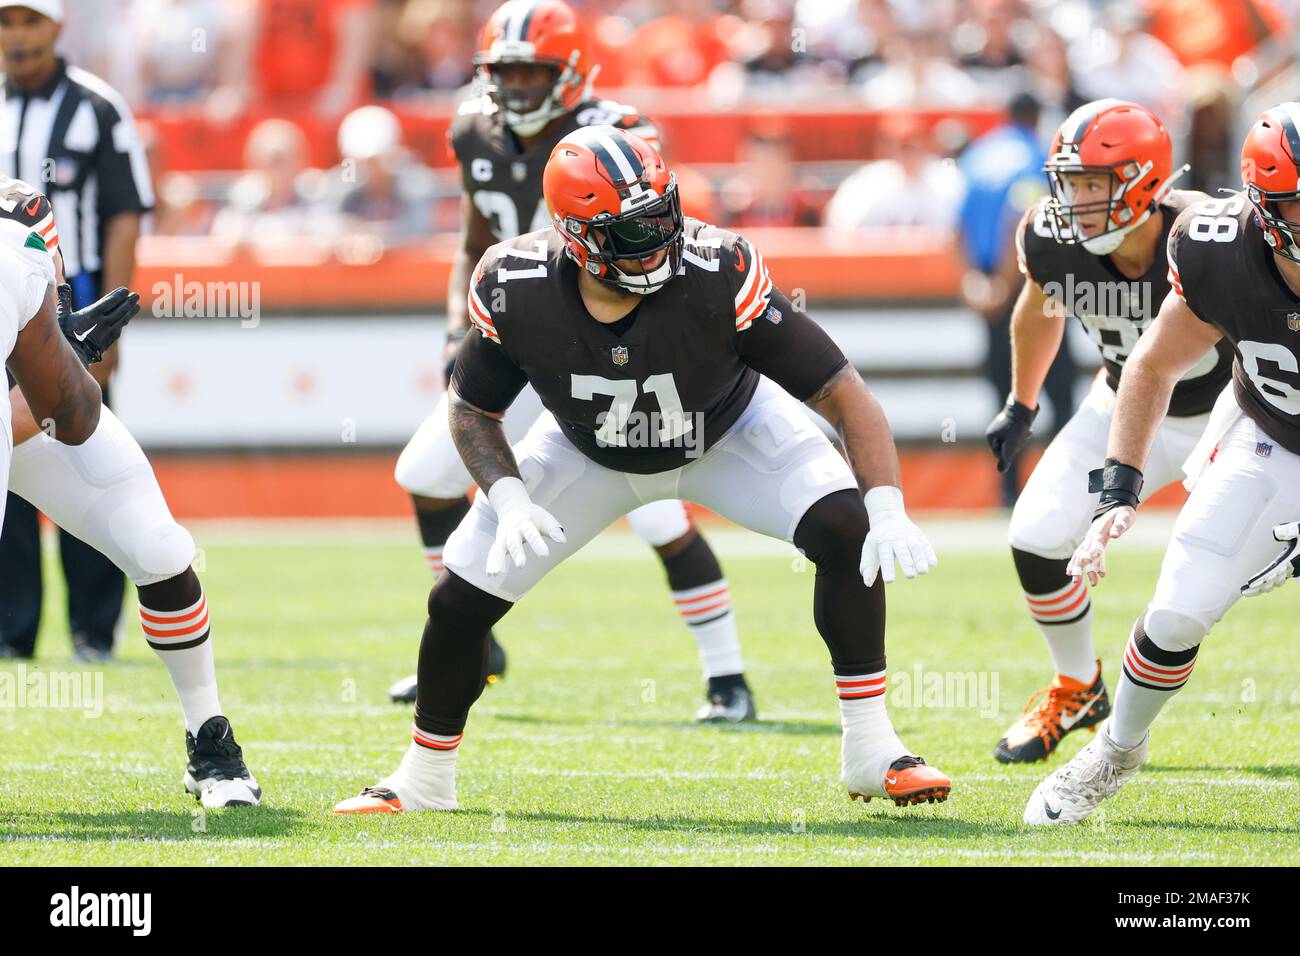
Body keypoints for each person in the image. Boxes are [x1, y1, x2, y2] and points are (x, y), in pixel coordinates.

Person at [334, 124, 950, 814]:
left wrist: (887, 506)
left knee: (845, 525)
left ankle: (872, 748)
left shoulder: (718, 268)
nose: (659, 241)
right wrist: (509, 499)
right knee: (457, 600)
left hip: (725, 434)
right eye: (633, 231)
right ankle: (424, 780)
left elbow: (842, 391)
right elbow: (471, 408)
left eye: (663, 216)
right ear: (578, 237)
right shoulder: (517, 285)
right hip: (586, 451)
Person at [390, 0, 758, 723]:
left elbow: (657, 237)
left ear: (573, 71)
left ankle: (728, 676)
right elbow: (475, 238)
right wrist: (454, 332)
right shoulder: (474, 127)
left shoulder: (620, 134)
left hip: (597, 343)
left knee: (654, 510)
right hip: (519, 339)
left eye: (534, 72)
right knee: (424, 473)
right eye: (507, 73)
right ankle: (474, 644)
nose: (519, 88)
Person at [1025, 103, 1300, 823]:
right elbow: (1151, 363)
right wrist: (1119, 488)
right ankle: (1117, 746)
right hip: (1272, 434)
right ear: (1263, 207)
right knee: (1176, 614)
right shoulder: (1218, 247)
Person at [0, 175, 261, 808]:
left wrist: (69, 358)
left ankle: (210, 739)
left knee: (160, 549)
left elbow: (67, 418)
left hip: (23, 414)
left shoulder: (15, 237)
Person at [985, 99, 1232, 764]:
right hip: (1125, 406)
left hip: (1233, 415)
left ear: (1145, 181)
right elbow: (1039, 309)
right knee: (1034, 535)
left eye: (1094, 184)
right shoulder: (1050, 235)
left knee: (1227, 575)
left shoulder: (1205, 236)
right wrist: (1022, 402)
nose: (1075, 201)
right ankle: (1077, 686)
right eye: (1069, 183)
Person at [0, 0, 154, 661]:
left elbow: (123, 212)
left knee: (87, 458)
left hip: (76, 310)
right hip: (4, 309)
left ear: (57, 27)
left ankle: (95, 631)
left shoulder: (97, 105)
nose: (17, 35)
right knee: (8, 468)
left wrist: (109, 325)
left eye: (29, 21)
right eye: (6, 22)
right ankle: (13, 633)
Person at [957, 91, 1076, 507]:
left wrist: (974, 281)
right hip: (1029, 281)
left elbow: (959, 224)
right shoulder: (1035, 156)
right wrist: (1009, 283)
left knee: (1004, 395)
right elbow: (1023, 220)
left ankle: (1008, 491)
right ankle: (1059, 488)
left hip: (986, 283)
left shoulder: (977, 157)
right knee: (1056, 392)